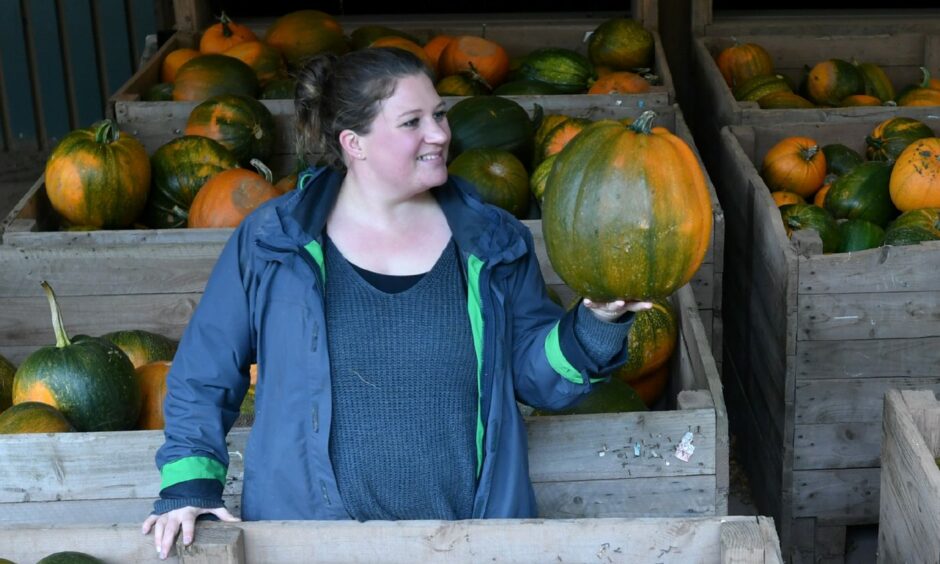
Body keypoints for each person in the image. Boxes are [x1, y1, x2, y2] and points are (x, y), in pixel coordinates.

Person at [141, 46, 652, 559]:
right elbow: (204, 373)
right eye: (412, 121)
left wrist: (597, 322)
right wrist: (189, 489)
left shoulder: (492, 242)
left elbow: (536, 376)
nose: (439, 134)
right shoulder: (274, 243)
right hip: (308, 543)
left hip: (472, 543)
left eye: (440, 115)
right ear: (353, 143)